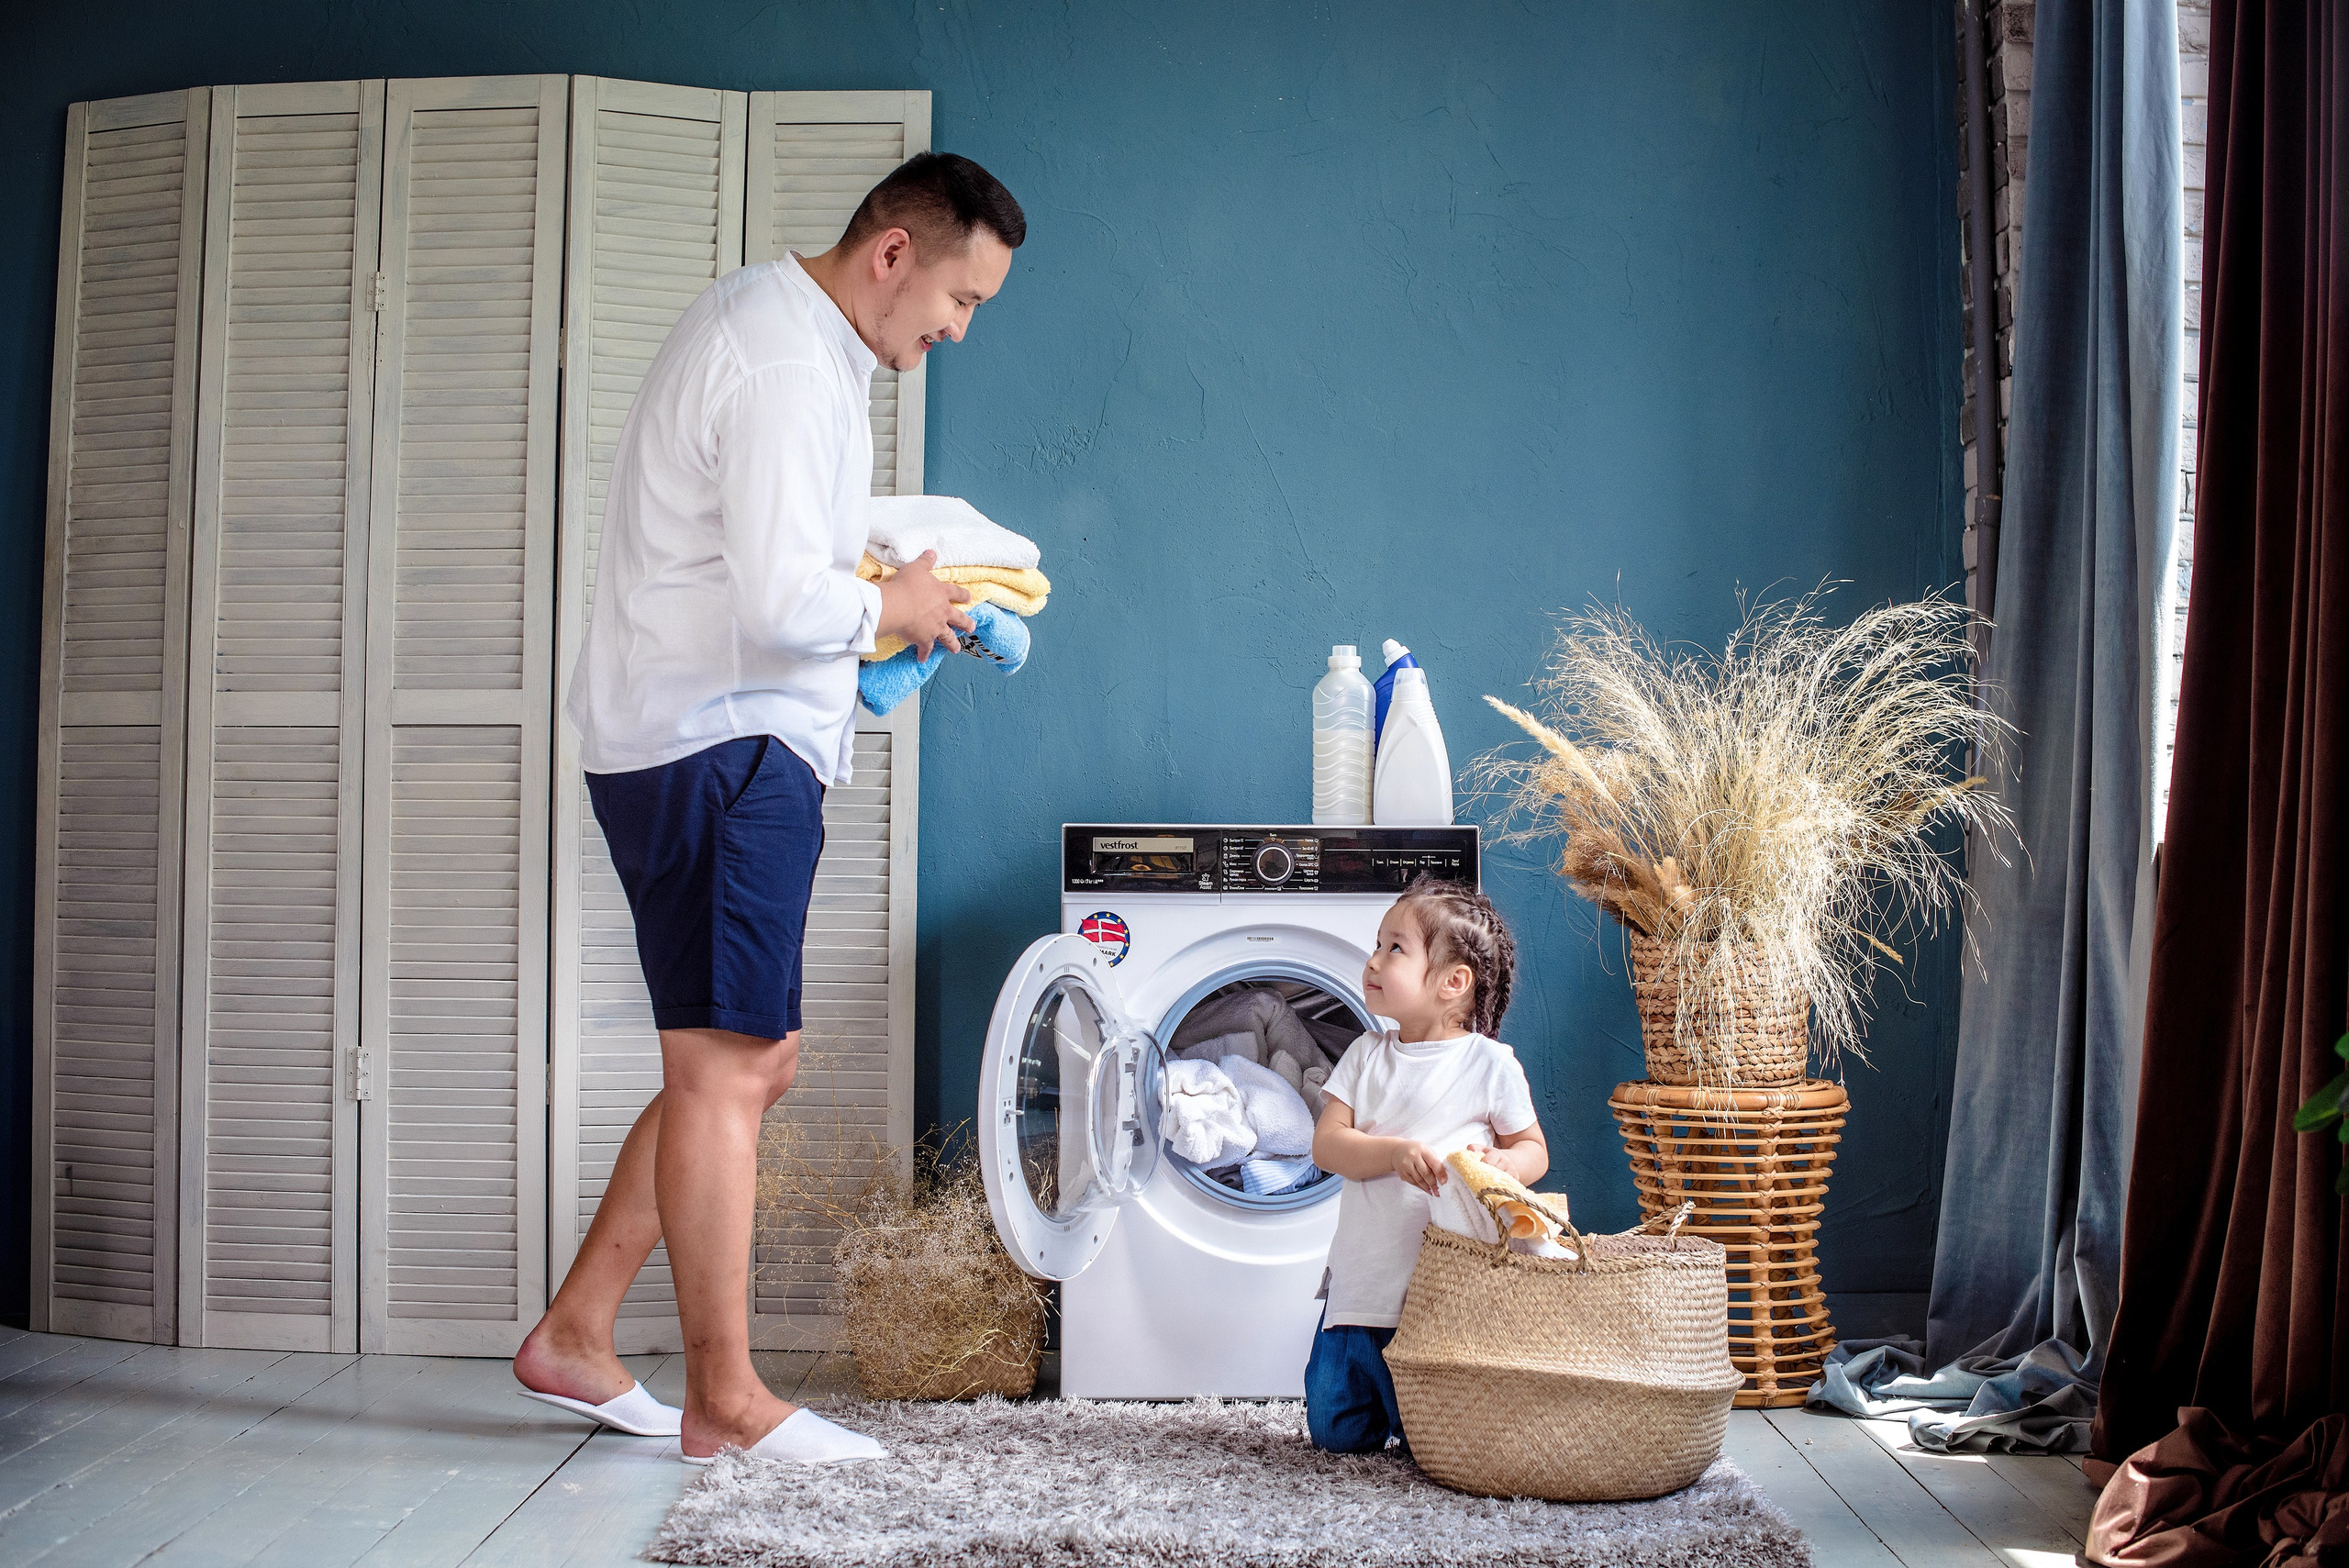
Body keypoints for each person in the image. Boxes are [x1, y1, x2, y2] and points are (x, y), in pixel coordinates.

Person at [511, 153, 1027, 1465]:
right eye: (961, 298)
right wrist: (894, 606)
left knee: (746, 1060)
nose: (959, 329)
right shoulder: (792, 361)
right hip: (718, 746)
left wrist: (892, 592)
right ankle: (725, 1398)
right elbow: (782, 599)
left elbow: (773, 557)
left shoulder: (787, 334)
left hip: (708, 738)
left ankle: (576, 1331)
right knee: (728, 1068)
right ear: (894, 252)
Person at [1305, 878, 1548, 1453]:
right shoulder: (1366, 1054)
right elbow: (1327, 1146)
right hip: (1362, 1284)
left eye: (1395, 948)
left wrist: (1505, 1162)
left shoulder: (1489, 1064)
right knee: (1335, 1430)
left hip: (1444, 1294)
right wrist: (1392, 1153)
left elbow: (1534, 1149)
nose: (1373, 959)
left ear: (1452, 982)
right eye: (1378, 943)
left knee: (1435, 1436)